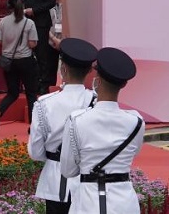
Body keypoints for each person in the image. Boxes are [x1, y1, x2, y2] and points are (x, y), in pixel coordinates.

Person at [61, 47, 145, 214]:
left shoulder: (77, 120)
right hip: (125, 203)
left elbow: (68, 170)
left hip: (88, 202)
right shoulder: (136, 122)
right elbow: (132, 153)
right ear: (124, 84)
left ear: (96, 80)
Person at [28, 38, 98, 214]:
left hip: (55, 179)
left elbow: (36, 152)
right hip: (89, 181)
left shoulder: (44, 104)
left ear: (63, 69)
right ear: (89, 71)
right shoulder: (96, 102)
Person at [0, 0, 39, 131]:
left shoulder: (3, 22)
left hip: (9, 62)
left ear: (9, 7)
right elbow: (32, 44)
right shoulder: (29, 23)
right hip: (25, 61)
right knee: (31, 93)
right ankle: (33, 126)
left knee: (12, 93)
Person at [23, 0, 58, 94]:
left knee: (42, 53)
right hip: (28, 21)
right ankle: (33, 81)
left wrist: (35, 10)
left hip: (41, 21)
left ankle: (44, 83)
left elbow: (50, 2)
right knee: (31, 52)